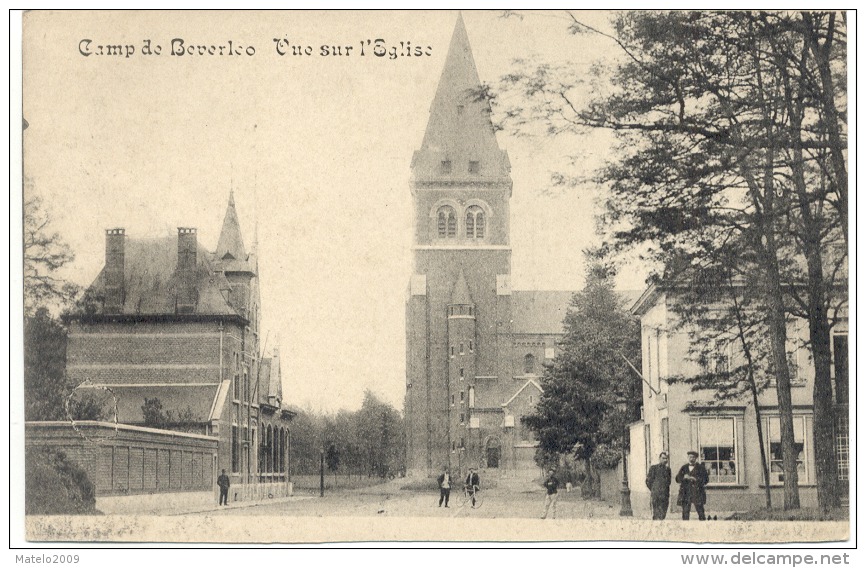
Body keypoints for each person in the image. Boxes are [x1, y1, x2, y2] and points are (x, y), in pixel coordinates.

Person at [675, 450, 709, 520]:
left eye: (693, 457)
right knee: (685, 512)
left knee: (700, 512)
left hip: (697, 492)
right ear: (688, 457)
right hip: (686, 492)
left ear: (696, 458)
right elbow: (677, 479)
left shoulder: (701, 468)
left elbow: (706, 480)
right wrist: (683, 477)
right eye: (690, 457)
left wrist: (696, 479)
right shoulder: (684, 467)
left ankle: (703, 527)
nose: (692, 459)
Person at [645, 451, 672, 520]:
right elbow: (648, 481)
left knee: (663, 514)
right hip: (656, 495)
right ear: (659, 458)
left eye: (666, 458)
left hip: (665, 495)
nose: (665, 460)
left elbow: (669, 482)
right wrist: (654, 489)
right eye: (663, 458)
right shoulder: (653, 468)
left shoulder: (668, 470)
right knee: (656, 514)